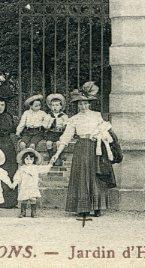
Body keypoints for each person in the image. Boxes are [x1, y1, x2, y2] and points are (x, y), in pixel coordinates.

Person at [49, 82, 115, 218]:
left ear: (89, 103)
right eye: (80, 104)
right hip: (81, 147)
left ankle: (97, 207)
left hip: (96, 147)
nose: (83, 106)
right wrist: (57, 153)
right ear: (77, 105)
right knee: (82, 176)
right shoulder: (74, 119)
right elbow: (66, 137)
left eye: (85, 103)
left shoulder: (97, 115)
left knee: (96, 175)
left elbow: (105, 130)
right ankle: (83, 208)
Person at [13, 148, 52, 218]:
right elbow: (17, 176)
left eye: (31, 159)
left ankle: (33, 212)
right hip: (24, 186)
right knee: (24, 199)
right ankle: (23, 212)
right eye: (27, 159)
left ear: (33, 160)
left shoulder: (35, 167)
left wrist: (50, 164)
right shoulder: (22, 168)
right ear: (23, 159)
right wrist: (15, 182)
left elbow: (44, 169)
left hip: (32, 186)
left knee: (33, 199)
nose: (28, 161)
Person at [43, 93, 69, 165]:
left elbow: (67, 124)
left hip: (59, 133)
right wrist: (48, 125)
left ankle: (57, 158)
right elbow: (44, 124)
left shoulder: (64, 116)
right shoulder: (48, 115)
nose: (55, 107)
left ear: (61, 106)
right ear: (50, 107)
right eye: (53, 105)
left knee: (59, 143)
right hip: (51, 133)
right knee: (48, 143)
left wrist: (63, 126)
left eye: (57, 105)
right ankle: (51, 157)